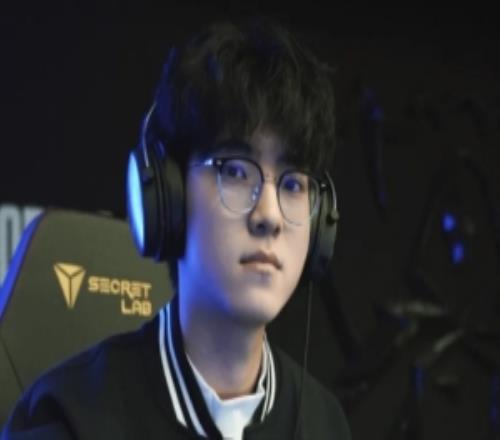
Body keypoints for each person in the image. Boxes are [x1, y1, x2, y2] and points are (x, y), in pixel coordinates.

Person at [2, 18, 350, 439]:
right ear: (169, 195)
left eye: (293, 184)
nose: (270, 216)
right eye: (235, 171)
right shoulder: (69, 418)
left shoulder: (324, 422)